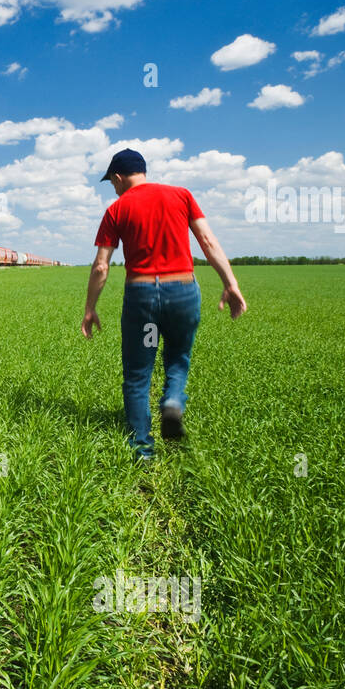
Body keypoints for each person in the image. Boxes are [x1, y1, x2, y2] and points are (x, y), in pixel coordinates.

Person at [80, 148, 247, 459]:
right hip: (182, 292)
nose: (114, 189)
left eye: (112, 183)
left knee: (138, 371)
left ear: (118, 177)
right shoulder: (182, 195)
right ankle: (171, 402)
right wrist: (231, 283)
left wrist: (90, 309)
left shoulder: (116, 210)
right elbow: (208, 242)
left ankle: (142, 448)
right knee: (177, 358)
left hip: (143, 298)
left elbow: (101, 266)